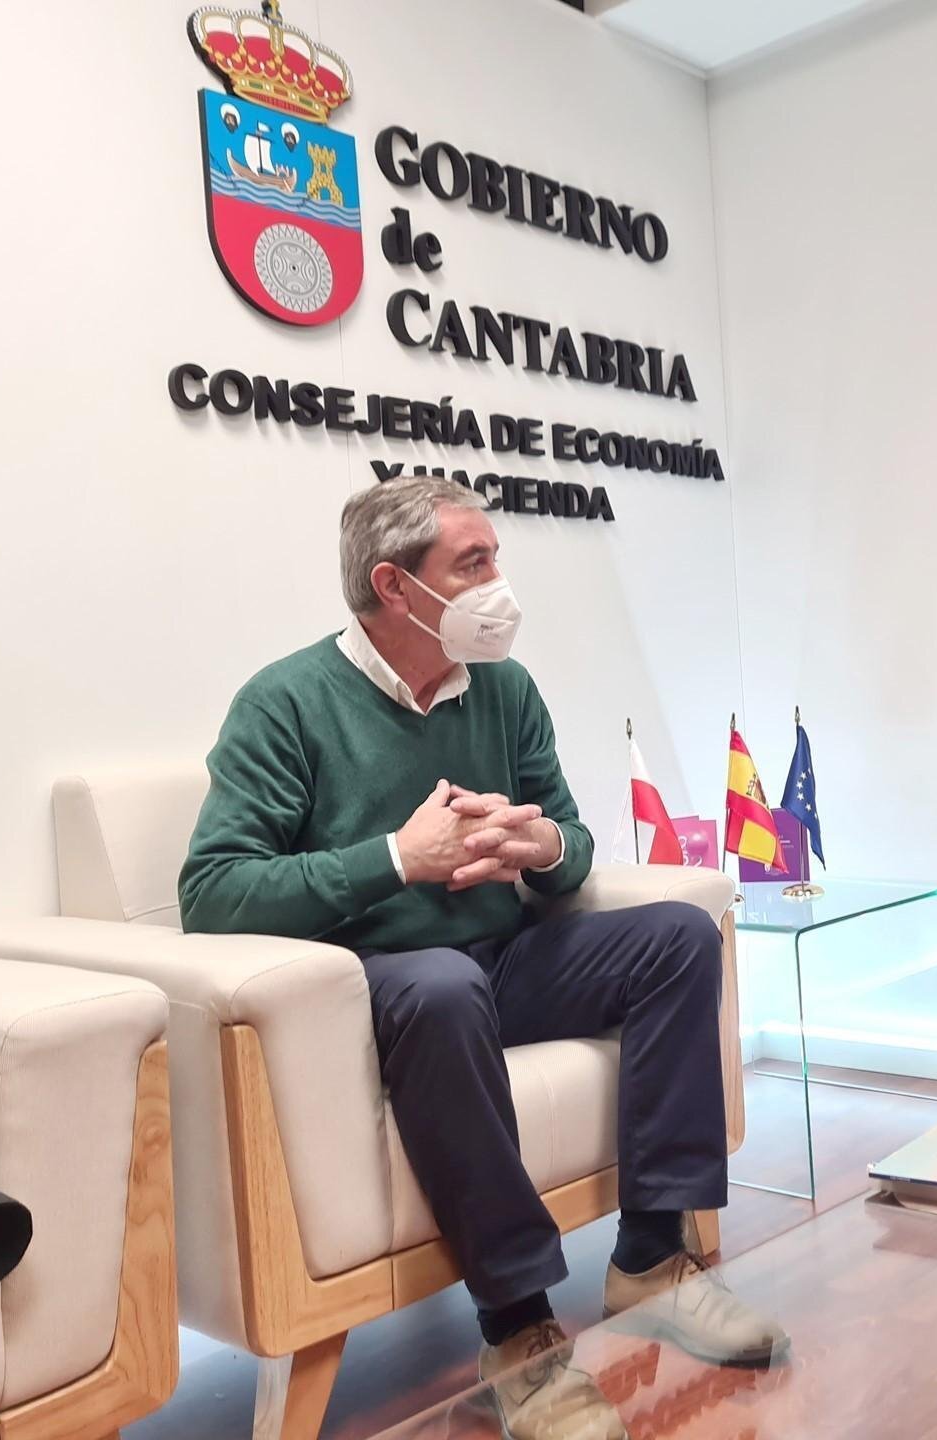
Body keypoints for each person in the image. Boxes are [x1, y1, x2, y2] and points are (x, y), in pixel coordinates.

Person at [179, 476, 787, 1440]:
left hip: (506, 959)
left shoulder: (505, 688)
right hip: (379, 983)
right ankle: (520, 1334)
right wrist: (395, 859)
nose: (499, 581)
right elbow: (213, 892)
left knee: (678, 935)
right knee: (443, 984)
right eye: (473, 562)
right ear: (394, 585)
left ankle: (652, 1260)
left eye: (495, 557)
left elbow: (572, 841)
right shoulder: (285, 702)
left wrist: (540, 847)